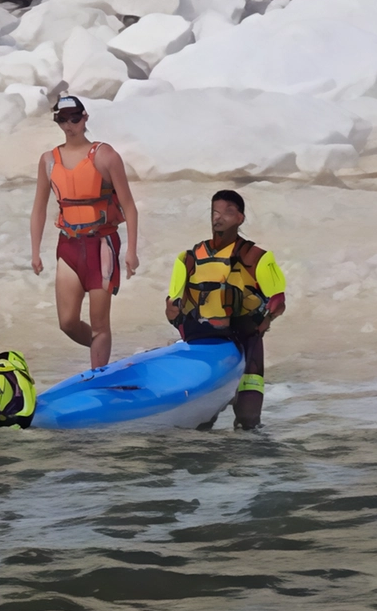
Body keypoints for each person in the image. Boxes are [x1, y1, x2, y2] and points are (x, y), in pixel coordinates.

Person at [30, 95, 139, 368]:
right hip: (68, 245)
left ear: (85, 117)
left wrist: (132, 252)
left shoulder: (105, 155)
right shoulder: (48, 161)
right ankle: (100, 347)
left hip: (102, 244)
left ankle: (99, 370)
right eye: (62, 120)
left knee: (100, 322)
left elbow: (129, 206)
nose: (69, 126)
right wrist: (35, 252)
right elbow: (39, 208)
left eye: (74, 119)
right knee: (67, 322)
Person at [164, 190, 287, 430]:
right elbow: (173, 302)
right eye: (215, 212)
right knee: (201, 424)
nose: (218, 218)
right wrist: (174, 317)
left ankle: (249, 467)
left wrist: (268, 319)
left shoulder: (259, 258)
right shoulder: (187, 259)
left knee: (248, 420)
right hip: (205, 346)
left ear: (240, 218)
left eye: (227, 213)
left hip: (246, 342)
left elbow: (279, 298)